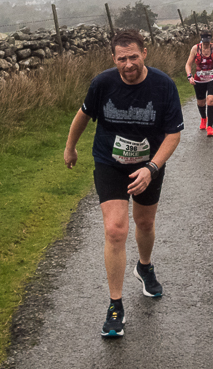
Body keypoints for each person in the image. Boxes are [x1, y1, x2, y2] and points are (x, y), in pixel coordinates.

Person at [63, 29, 185, 339]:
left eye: (133, 56)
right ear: (113, 59)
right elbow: (83, 115)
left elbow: (173, 134)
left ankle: (144, 267)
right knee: (116, 229)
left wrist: (152, 167)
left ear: (145, 53)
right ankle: (115, 305)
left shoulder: (164, 86)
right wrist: (70, 147)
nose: (128, 64)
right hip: (110, 163)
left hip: (148, 166)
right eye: (121, 59)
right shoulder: (103, 83)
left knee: (144, 223)